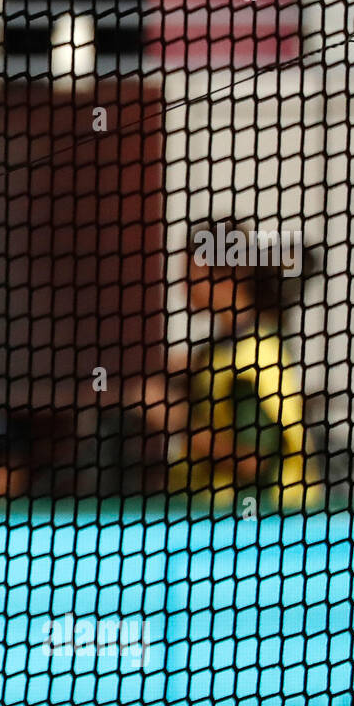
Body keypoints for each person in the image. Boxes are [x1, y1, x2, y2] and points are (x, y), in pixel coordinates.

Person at [129, 219, 324, 513]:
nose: (182, 285)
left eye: (189, 272)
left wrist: (176, 420)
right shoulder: (219, 351)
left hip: (265, 528)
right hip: (215, 522)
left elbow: (253, 460)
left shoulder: (254, 358)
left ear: (223, 274)